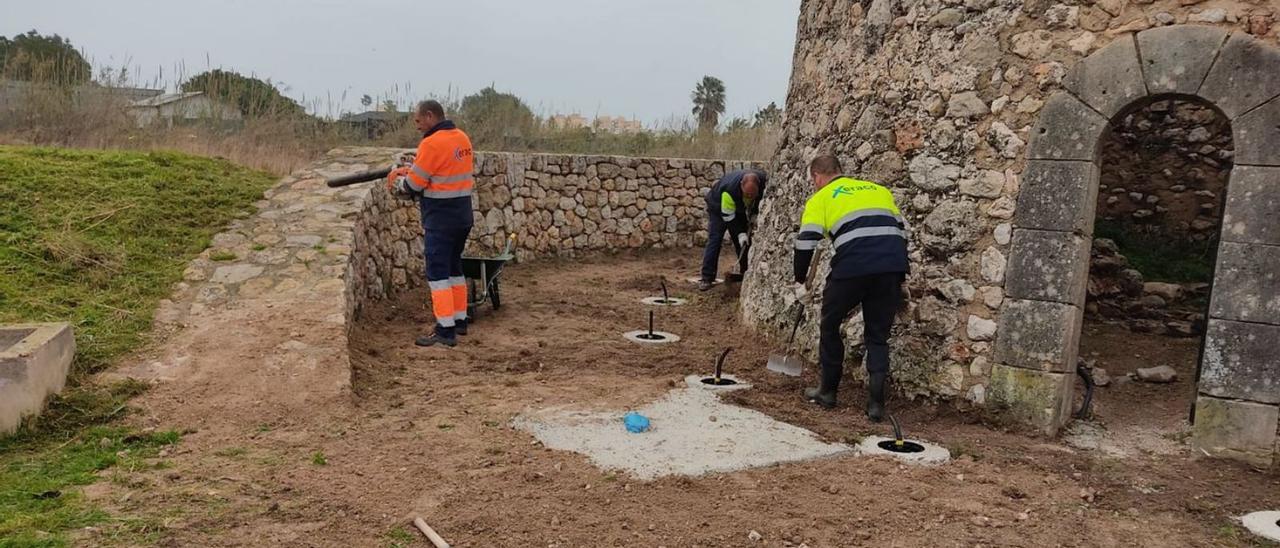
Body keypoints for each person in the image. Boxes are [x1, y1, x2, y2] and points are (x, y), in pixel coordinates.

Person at [791, 155, 909, 421]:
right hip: (892, 265)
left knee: (830, 324)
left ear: (817, 177)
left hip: (852, 266)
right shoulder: (879, 191)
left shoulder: (820, 198)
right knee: (878, 336)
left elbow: (806, 242)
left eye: (814, 181)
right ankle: (876, 405)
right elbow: (902, 231)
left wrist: (800, 280)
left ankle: (828, 392)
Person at [386, 100, 475, 347]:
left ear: (429, 116)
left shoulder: (431, 143)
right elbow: (444, 170)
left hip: (440, 219)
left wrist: (399, 181)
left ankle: (445, 330)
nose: (417, 125)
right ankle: (460, 320)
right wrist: (415, 170)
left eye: (417, 120)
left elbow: (414, 186)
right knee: (454, 268)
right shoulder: (462, 139)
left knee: (437, 274)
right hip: (462, 216)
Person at [699, 168, 768, 291]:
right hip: (718, 206)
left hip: (738, 206)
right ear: (741, 185)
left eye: (753, 195)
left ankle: (745, 272)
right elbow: (729, 218)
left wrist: (755, 213)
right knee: (715, 239)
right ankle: (707, 278)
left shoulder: (764, 182)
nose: (750, 197)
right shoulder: (729, 191)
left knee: (744, 243)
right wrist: (740, 233)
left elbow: (761, 200)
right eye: (747, 195)